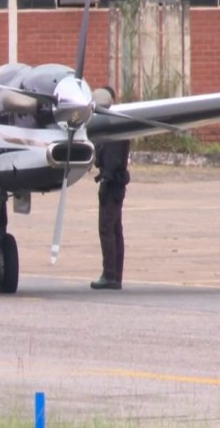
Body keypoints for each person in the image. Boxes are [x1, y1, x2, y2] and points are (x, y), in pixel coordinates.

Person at [90, 86, 131, 290]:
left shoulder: (113, 129)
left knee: (107, 229)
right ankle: (115, 275)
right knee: (115, 229)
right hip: (114, 183)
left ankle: (110, 275)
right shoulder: (116, 125)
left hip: (112, 184)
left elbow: (112, 160)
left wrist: (106, 181)